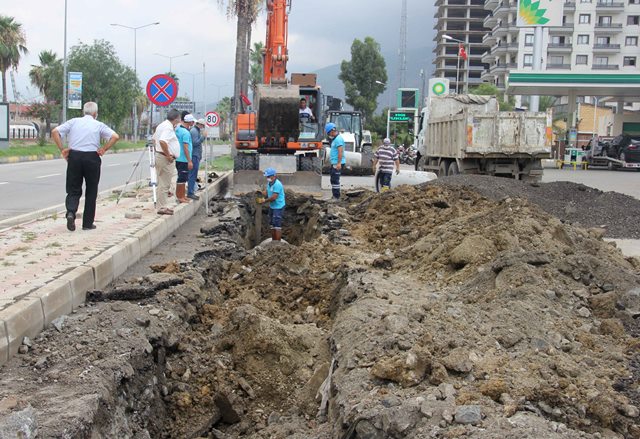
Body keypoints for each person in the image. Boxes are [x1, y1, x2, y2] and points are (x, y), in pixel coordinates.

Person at [52, 101, 120, 231]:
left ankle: (71, 212)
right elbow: (115, 136)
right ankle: (87, 223)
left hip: (75, 156)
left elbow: (55, 131)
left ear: (84, 112)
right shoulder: (98, 124)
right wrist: (104, 149)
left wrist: (62, 149)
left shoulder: (74, 122)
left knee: (73, 188)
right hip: (92, 158)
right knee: (91, 190)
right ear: (95, 113)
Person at [152, 108, 182, 215]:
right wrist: (168, 155)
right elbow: (162, 141)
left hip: (160, 155)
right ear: (176, 119)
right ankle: (162, 207)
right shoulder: (168, 127)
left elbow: (154, 139)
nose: (179, 122)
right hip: (165, 158)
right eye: (179, 119)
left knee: (162, 183)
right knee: (164, 184)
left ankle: (162, 205)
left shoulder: (161, 125)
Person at [259, 167, 286, 242]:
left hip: (278, 207)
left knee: (277, 225)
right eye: (267, 177)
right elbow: (267, 192)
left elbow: (274, 197)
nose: (267, 178)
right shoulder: (269, 183)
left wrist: (264, 200)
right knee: (272, 224)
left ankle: (277, 243)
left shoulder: (277, 184)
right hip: (273, 206)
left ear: (274, 176)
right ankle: (274, 240)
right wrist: (260, 193)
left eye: (268, 176)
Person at [175, 114, 195, 203]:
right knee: (182, 178)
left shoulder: (178, 130)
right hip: (183, 159)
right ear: (190, 122)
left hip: (178, 158)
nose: (193, 123)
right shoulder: (186, 133)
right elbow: (185, 147)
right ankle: (180, 197)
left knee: (181, 177)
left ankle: (182, 195)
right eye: (193, 121)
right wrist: (189, 161)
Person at [325, 122, 345, 200]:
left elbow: (340, 151)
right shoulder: (335, 139)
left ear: (332, 131)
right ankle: (334, 196)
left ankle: (336, 197)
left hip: (338, 163)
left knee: (335, 180)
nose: (329, 135)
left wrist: (339, 163)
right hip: (335, 163)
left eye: (329, 133)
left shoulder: (338, 139)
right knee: (333, 179)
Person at [187, 119, 206, 200]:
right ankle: (190, 192)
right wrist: (203, 137)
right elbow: (195, 143)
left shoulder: (195, 131)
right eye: (203, 126)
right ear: (200, 125)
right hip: (194, 155)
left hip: (196, 155)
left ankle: (192, 190)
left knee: (193, 174)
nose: (203, 127)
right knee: (192, 174)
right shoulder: (194, 131)